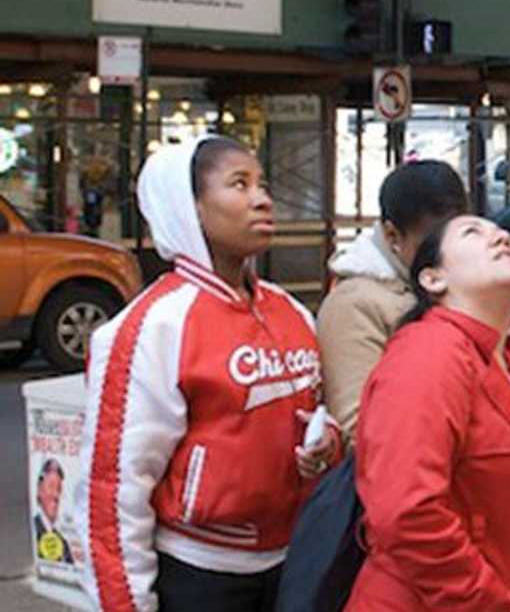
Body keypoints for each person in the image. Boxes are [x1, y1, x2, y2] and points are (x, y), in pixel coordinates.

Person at [79, 137, 341, 612]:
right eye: (239, 184)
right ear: (190, 208)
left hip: (294, 562)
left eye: (262, 184)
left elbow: (316, 418)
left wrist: (327, 444)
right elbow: (113, 489)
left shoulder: (291, 313)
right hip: (197, 578)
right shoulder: (152, 328)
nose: (263, 199)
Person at [347, 215, 510, 611]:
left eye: (501, 233)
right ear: (432, 279)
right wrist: (488, 601)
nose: (499, 236)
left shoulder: (507, 361)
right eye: (472, 232)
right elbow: (407, 512)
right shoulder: (428, 353)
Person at [317, 160, 470, 438]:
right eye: (431, 242)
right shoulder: (355, 304)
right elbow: (358, 425)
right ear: (392, 235)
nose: (446, 252)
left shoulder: (456, 287)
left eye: (459, 236)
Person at [34, 459, 73, 565]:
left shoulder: (62, 542)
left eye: (59, 489)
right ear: (39, 490)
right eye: (51, 487)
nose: (56, 495)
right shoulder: (32, 532)